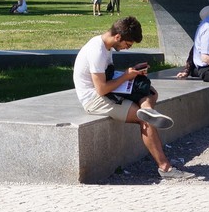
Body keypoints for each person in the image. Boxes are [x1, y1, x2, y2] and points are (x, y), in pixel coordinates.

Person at [73, 17, 187, 180]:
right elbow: (101, 88)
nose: (126, 48)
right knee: (146, 121)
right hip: (94, 99)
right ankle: (165, 168)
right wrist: (127, 76)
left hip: (106, 91)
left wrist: (132, 74)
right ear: (118, 37)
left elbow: (108, 76)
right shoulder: (96, 51)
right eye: (128, 44)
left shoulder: (105, 46)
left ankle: (147, 110)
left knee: (150, 91)